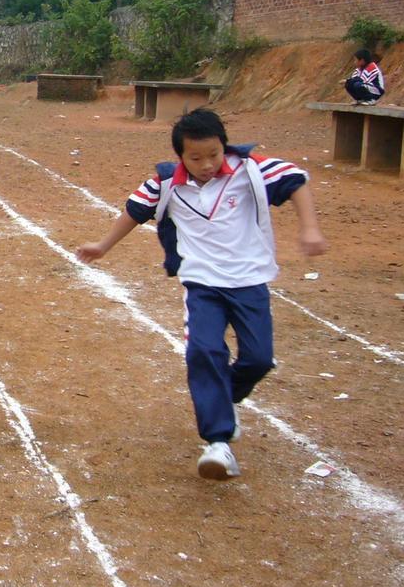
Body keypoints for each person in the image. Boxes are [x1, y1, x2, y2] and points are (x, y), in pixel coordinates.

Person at [75, 108, 325, 481]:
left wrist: (310, 228)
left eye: (214, 154)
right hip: (202, 283)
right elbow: (134, 211)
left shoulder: (250, 170)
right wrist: (103, 245)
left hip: (250, 282)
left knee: (259, 359)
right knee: (204, 351)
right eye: (195, 158)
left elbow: (295, 181)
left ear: (224, 146)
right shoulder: (166, 184)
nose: (207, 164)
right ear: (180, 156)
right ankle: (218, 442)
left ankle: (225, 399)